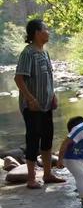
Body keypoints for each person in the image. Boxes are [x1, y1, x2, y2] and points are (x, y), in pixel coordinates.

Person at [14, 19, 65, 189]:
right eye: (45, 29)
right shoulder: (28, 53)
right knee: (33, 139)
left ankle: (48, 174)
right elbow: (19, 78)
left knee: (47, 137)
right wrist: (30, 99)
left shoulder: (44, 52)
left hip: (46, 104)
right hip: (32, 106)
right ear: (37, 32)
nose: (48, 32)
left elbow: (48, 78)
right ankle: (30, 178)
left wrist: (53, 95)